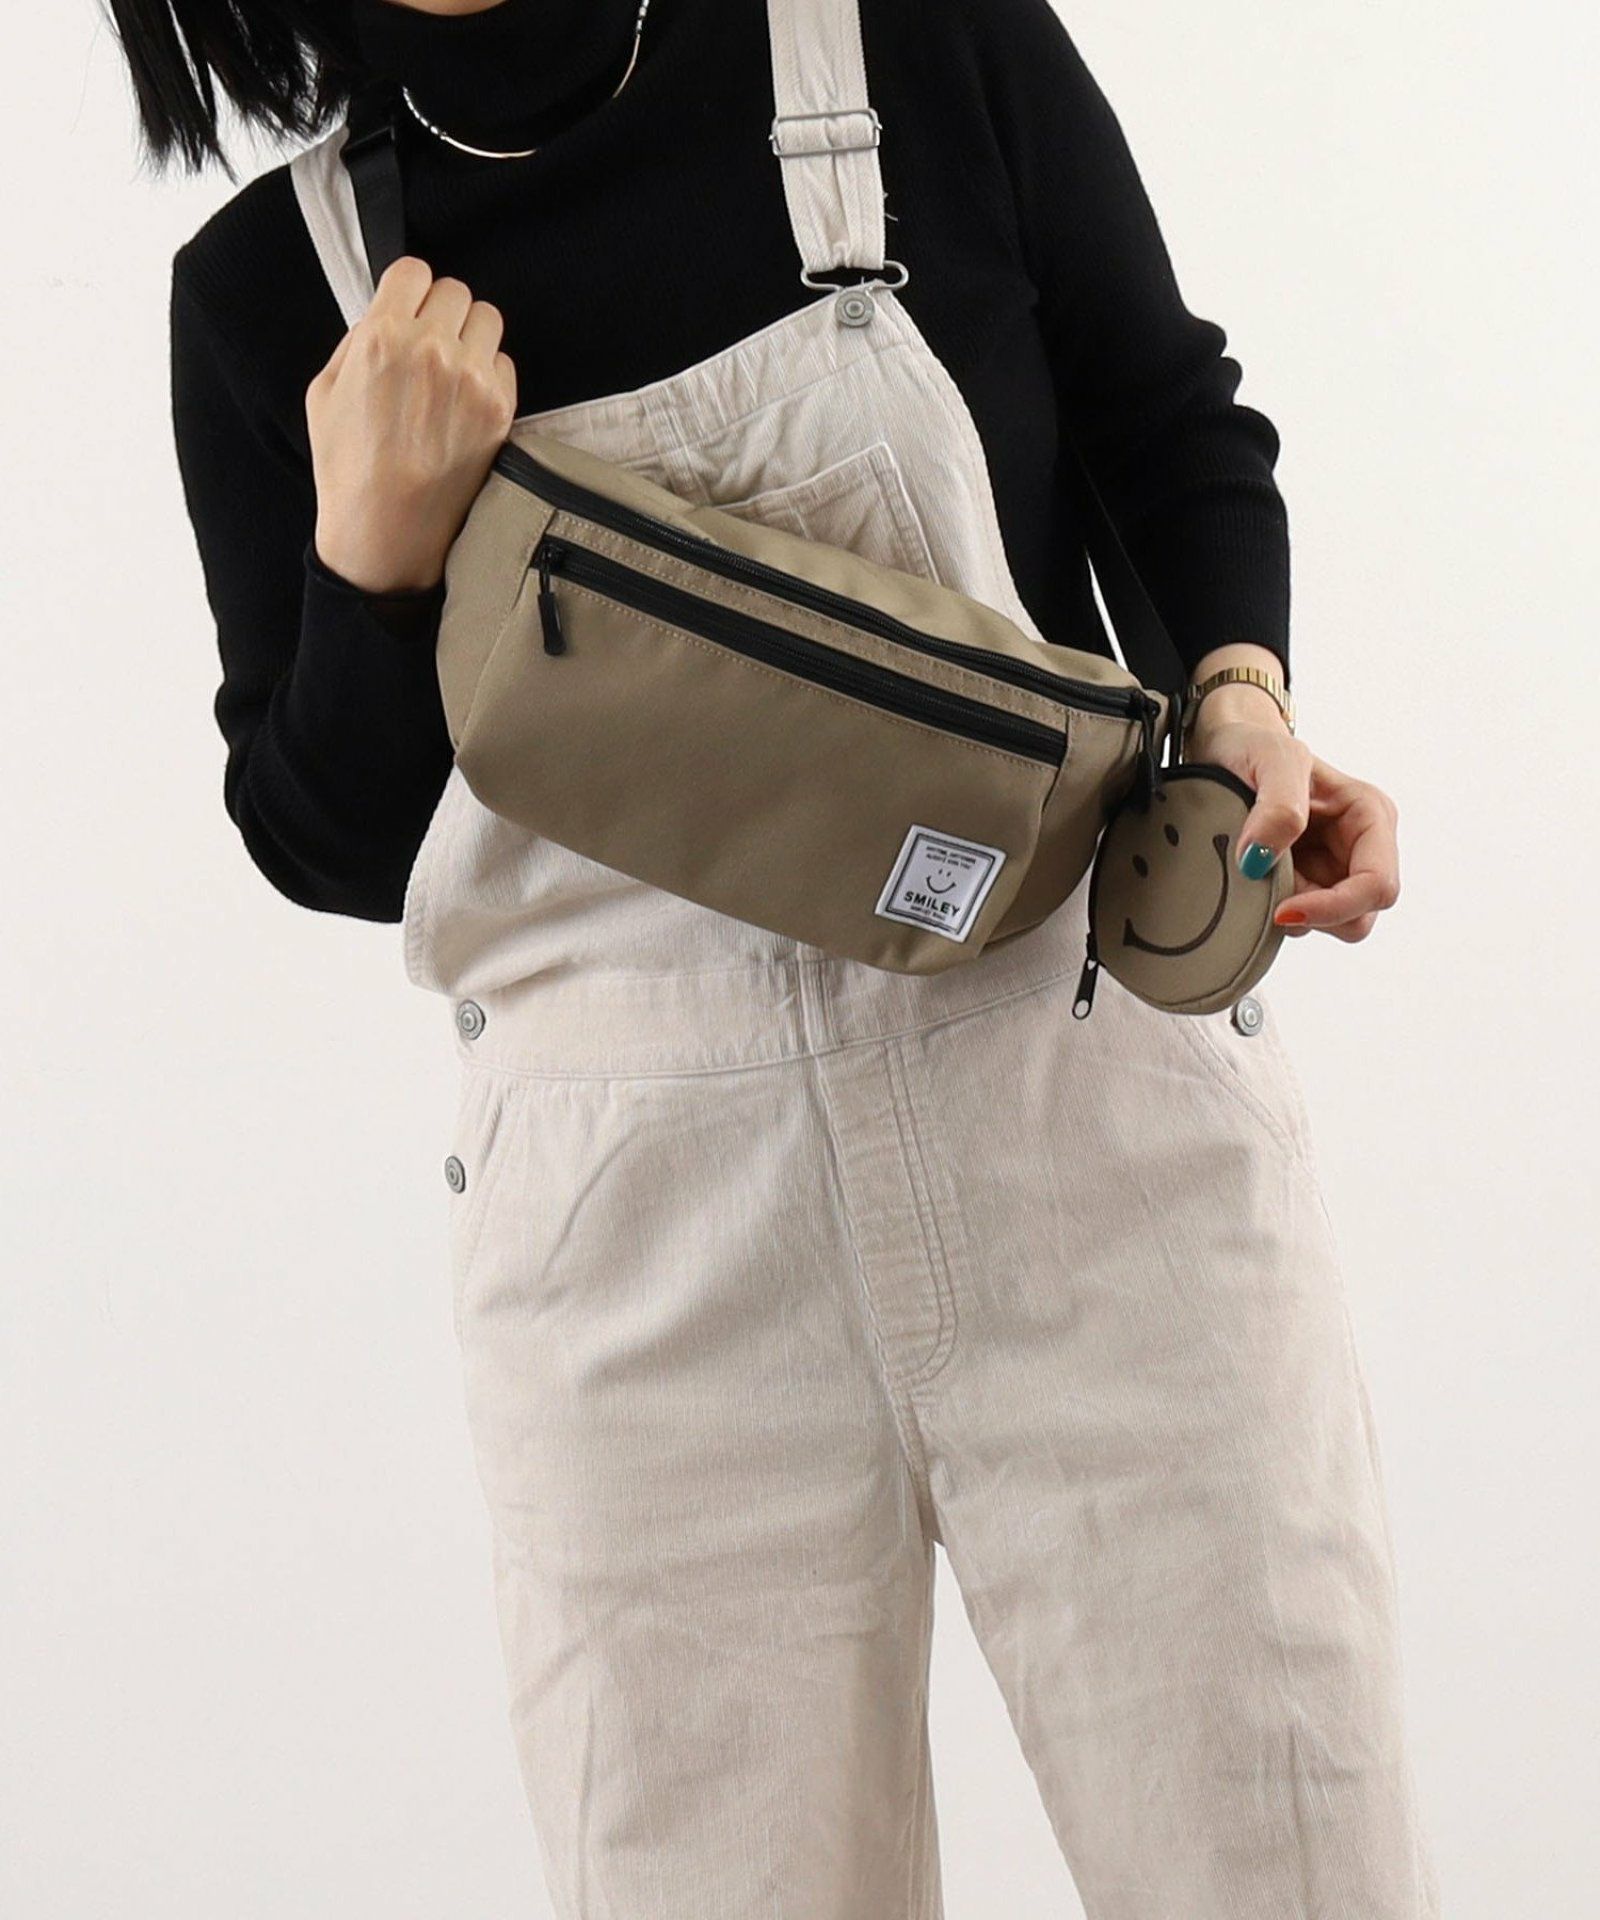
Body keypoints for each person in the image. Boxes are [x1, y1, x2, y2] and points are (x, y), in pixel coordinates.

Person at [114, 0, 1438, 1911]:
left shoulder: (919, 37)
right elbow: (331, 844)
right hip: (637, 1248)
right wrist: (369, 558)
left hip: (1079, 1104)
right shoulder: (267, 295)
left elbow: (1168, 420)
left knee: (1288, 1859)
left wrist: (1242, 705)